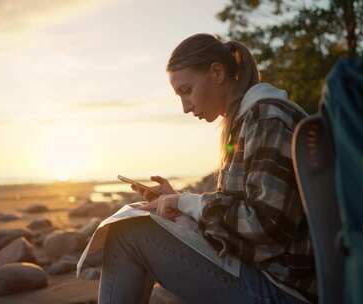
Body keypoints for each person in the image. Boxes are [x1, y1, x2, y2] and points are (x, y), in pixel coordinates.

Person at [98, 33, 317, 304]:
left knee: (126, 235)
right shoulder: (247, 120)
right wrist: (181, 207)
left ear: (217, 72)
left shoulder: (267, 118)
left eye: (186, 91)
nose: (185, 107)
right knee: (136, 227)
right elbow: (239, 220)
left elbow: (264, 225)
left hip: (284, 290)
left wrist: (188, 202)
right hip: (264, 275)